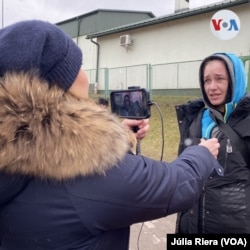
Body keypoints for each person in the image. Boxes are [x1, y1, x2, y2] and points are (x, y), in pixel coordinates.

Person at [0, 20, 222, 250]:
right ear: (63, 82)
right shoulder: (87, 172)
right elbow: (174, 186)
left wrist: (114, 138)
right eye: (79, 65)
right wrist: (202, 154)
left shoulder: (14, 152)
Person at [175, 52, 250, 234]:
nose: (212, 87)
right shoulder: (194, 119)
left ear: (235, 80)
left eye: (220, 79)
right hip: (191, 226)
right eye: (207, 80)